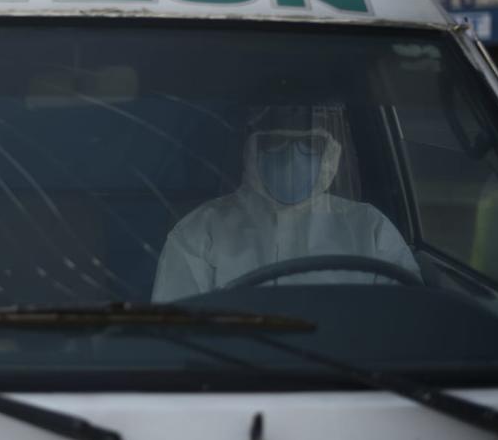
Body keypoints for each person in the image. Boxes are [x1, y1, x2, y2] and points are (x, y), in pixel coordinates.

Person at [152, 106, 420, 301]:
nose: (293, 158)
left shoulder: (369, 227)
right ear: (251, 149)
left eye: (308, 145)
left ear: (329, 151)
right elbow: (175, 335)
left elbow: (404, 322)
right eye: (278, 142)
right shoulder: (201, 231)